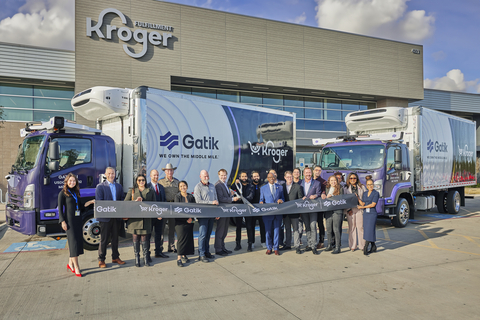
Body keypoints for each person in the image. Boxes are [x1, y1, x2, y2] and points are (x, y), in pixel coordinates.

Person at [58, 173, 94, 277]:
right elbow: (60, 209)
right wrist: (62, 221)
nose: (72, 182)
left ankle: (70, 264)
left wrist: (90, 202)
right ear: (66, 182)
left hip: (78, 220)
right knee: (73, 243)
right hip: (69, 222)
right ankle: (77, 267)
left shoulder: (75, 192)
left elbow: (80, 206)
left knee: (76, 243)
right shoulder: (62, 193)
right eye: (70, 181)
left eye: (74, 181)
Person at [95, 167, 126, 268]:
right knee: (104, 239)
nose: (111, 175)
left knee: (115, 239)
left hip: (116, 217)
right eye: (109, 173)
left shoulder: (119, 186)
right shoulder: (100, 187)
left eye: (113, 173)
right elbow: (99, 202)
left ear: (115, 174)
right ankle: (101, 259)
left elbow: (122, 200)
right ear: (105, 174)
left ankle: (115, 257)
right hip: (105, 218)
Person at [124, 174, 156, 267]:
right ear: (136, 181)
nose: (141, 182)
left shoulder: (150, 191)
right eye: (139, 180)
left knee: (145, 240)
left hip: (146, 219)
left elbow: (154, 204)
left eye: (143, 180)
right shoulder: (132, 191)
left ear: (145, 181)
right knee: (136, 240)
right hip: (135, 220)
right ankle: (137, 259)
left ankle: (146, 259)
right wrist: (135, 202)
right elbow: (125, 203)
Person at [194, 170, 219, 263]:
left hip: (211, 214)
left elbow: (216, 198)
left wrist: (217, 211)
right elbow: (198, 201)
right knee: (203, 235)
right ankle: (201, 254)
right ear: (200, 176)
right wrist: (211, 202)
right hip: (203, 214)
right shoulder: (198, 187)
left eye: (207, 175)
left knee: (208, 234)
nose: (206, 177)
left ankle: (207, 252)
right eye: (204, 176)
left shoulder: (212, 186)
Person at [214, 169, 240, 256]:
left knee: (225, 231)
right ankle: (218, 249)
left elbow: (226, 196)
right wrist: (232, 199)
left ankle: (222, 247)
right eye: (221, 175)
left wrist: (231, 194)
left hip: (226, 211)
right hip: (222, 211)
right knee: (220, 230)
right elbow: (221, 199)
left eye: (225, 175)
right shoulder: (218, 185)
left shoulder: (225, 184)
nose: (223, 177)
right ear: (218, 175)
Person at [260, 173, 284, 255]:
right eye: (270, 177)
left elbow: (283, 198)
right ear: (267, 178)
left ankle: (276, 248)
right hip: (268, 213)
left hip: (277, 213)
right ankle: (269, 247)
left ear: (275, 178)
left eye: (273, 177)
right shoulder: (263, 188)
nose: (271, 179)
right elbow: (261, 199)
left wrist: (281, 200)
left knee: (277, 231)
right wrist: (261, 202)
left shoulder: (280, 187)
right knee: (268, 231)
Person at [299, 167, 322, 255]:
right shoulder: (300, 183)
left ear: (311, 173)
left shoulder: (317, 183)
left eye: (309, 173)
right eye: (306, 173)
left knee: (313, 226)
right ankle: (309, 244)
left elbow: (319, 193)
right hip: (304, 208)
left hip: (313, 208)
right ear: (303, 174)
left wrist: (315, 195)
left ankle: (314, 246)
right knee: (307, 227)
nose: (308, 174)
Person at [146, 169, 167, 259]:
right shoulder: (147, 186)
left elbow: (164, 201)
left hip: (160, 216)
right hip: (150, 216)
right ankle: (147, 254)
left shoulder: (161, 187)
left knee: (159, 234)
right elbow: (146, 203)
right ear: (150, 176)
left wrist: (161, 213)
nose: (156, 177)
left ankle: (158, 252)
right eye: (154, 175)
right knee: (148, 235)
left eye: (157, 175)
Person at [282, 171, 304, 254]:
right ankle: (287, 244)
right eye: (287, 177)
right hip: (286, 212)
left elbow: (300, 199)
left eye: (290, 177)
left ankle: (297, 246)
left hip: (294, 212)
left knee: (296, 230)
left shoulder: (297, 186)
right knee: (287, 229)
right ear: (285, 178)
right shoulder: (282, 187)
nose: (289, 178)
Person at [159, 163, 179, 253]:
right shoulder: (161, 182)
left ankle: (171, 246)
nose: (170, 172)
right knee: (161, 228)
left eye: (171, 170)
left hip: (174, 207)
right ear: (165, 172)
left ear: (173, 171)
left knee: (172, 227)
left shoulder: (177, 182)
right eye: (168, 170)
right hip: (164, 206)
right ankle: (160, 247)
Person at [174, 181, 195, 267]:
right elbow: (177, 209)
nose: (183, 187)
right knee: (181, 239)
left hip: (190, 221)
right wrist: (186, 219)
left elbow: (195, 208)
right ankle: (179, 258)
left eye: (184, 185)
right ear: (179, 188)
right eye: (181, 186)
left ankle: (184, 254)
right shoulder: (177, 196)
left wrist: (191, 219)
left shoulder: (191, 196)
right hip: (180, 222)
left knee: (188, 238)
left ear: (187, 186)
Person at [232, 171, 254, 251]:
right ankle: (238, 244)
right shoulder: (237, 185)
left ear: (247, 177)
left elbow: (251, 196)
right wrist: (235, 183)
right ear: (240, 177)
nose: (244, 178)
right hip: (239, 209)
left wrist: (243, 199)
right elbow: (230, 189)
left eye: (245, 176)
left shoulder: (251, 186)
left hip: (248, 208)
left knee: (249, 227)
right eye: (242, 176)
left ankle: (250, 245)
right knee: (238, 227)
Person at [344, 172, 366, 252]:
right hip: (350, 210)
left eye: (354, 178)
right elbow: (344, 200)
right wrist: (348, 210)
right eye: (351, 178)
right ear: (349, 179)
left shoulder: (362, 187)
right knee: (352, 228)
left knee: (360, 227)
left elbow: (365, 198)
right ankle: (352, 245)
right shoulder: (345, 188)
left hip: (359, 208)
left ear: (357, 179)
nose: (353, 180)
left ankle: (362, 245)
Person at [357, 179, 379, 255]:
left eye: (371, 184)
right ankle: (373, 246)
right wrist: (357, 198)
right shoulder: (365, 193)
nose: (370, 186)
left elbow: (373, 204)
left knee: (370, 229)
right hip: (366, 214)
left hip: (372, 214)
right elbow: (363, 203)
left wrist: (362, 208)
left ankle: (366, 247)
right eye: (368, 185)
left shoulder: (376, 193)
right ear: (366, 186)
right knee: (367, 229)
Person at [324, 175, 344, 254]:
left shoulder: (340, 188)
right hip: (328, 211)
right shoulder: (327, 188)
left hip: (337, 211)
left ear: (337, 181)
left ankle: (337, 247)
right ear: (329, 181)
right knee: (328, 229)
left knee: (336, 229)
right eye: (331, 180)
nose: (333, 182)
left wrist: (331, 196)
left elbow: (341, 199)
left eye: (334, 180)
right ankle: (329, 245)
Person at [251, 171, 267, 249]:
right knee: (252, 226)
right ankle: (252, 242)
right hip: (252, 209)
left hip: (261, 209)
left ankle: (263, 242)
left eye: (257, 176)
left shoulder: (263, 185)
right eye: (254, 176)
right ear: (252, 178)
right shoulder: (250, 185)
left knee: (262, 226)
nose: (256, 178)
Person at [313, 165, 327, 249]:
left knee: (320, 223)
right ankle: (311, 241)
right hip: (310, 206)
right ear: (313, 171)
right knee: (311, 224)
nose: (318, 171)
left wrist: (323, 193)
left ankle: (321, 241)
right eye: (316, 170)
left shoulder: (323, 182)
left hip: (319, 206)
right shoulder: (309, 180)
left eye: (319, 170)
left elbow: (324, 191)